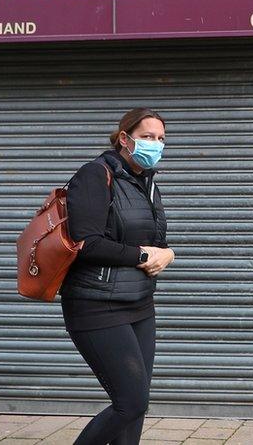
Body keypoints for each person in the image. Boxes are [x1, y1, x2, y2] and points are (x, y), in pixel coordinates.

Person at [58, 107, 175, 445]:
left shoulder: (147, 184)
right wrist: (141, 255)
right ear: (125, 139)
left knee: (137, 407)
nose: (156, 145)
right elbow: (87, 243)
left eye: (161, 139)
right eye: (147, 137)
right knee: (130, 403)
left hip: (139, 304)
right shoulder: (94, 175)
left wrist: (169, 253)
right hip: (96, 306)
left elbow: (156, 243)